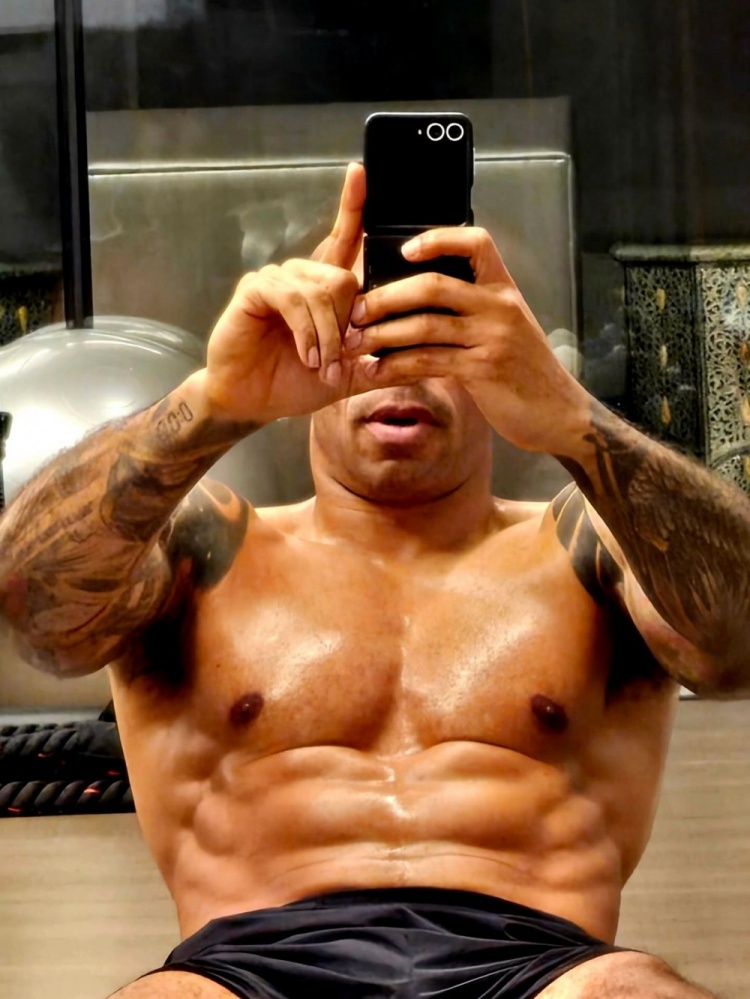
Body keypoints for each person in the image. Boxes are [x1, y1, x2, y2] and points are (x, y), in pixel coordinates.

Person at [0, 162, 746, 999]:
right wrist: (215, 401)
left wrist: (573, 419)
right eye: (369, 328)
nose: (400, 368)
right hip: (245, 969)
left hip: (538, 966)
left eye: (439, 334)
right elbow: (34, 610)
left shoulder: (591, 543)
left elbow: (737, 650)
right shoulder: (202, 547)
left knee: (631, 992)